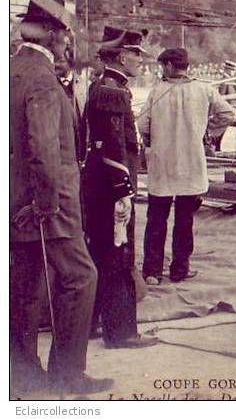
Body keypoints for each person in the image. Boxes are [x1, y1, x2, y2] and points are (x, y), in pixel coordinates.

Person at [10, 0, 112, 394]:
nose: (69, 42)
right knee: (81, 278)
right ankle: (67, 376)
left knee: (24, 283)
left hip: (15, 198)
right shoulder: (42, 79)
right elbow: (43, 147)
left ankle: (23, 372)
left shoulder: (11, 70)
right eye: (65, 34)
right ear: (52, 34)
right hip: (49, 203)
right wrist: (46, 203)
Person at [82, 25, 158, 350]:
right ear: (122, 55)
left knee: (100, 254)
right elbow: (112, 147)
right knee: (118, 257)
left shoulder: (104, 86)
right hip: (113, 189)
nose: (141, 61)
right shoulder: (113, 90)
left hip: (100, 186)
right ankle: (121, 332)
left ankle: (92, 324)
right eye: (137, 54)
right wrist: (123, 190)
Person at [139, 48, 235, 285]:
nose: (162, 71)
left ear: (170, 66)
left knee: (156, 220)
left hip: (163, 166)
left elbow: (142, 125)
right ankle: (179, 270)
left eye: (163, 67)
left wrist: (152, 139)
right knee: (185, 221)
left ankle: (152, 272)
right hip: (191, 166)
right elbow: (228, 114)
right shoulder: (204, 89)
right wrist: (207, 131)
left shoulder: (157, 91)